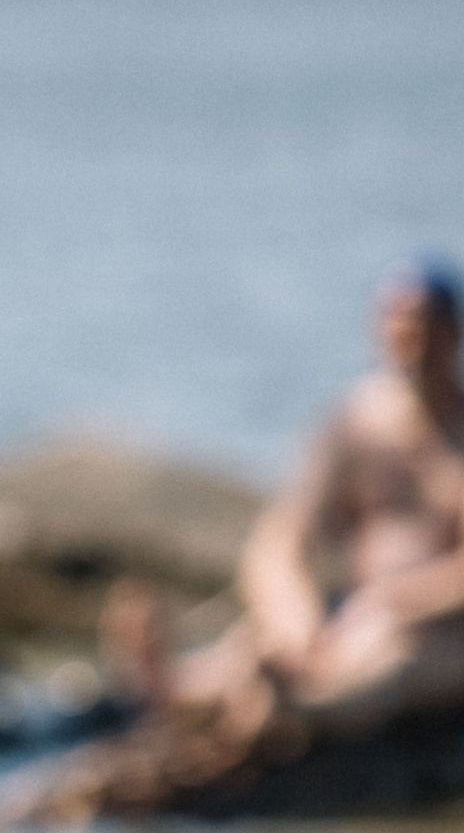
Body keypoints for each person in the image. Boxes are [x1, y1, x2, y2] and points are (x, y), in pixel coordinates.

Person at [142, 258, 464, 744]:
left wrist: (396, 602)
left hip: (435, 630)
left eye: (423, 325)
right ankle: (175, 686)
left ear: (451, 334)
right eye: (397, 321)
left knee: (396, 658)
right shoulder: (357, 424)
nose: (410, 340)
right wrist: (294, 613)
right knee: (266, 640)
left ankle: (306, 710)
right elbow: (283, 536)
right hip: (354, 613)